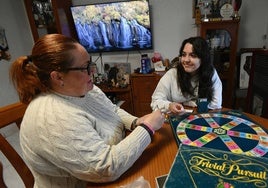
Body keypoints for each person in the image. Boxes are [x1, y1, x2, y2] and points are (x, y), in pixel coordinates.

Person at [10, 34, 164, 188]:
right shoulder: (53, 116)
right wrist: (147, 128)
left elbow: (112, 111)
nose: (93, 71)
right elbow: (105, 168)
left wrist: (136, 122)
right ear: (58, 77)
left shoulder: (87, 88)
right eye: (84, 67)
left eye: (90, 64)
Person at [151, 36, 222, 114]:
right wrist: (169, 105)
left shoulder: (210, 73)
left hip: (201, 117)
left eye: (193, 55)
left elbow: (216, 103)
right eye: (184, 55)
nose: (186, 60)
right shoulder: (172, 74)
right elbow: (155, 101)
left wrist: (186, 103)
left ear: (203, 58)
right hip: (176, 117)